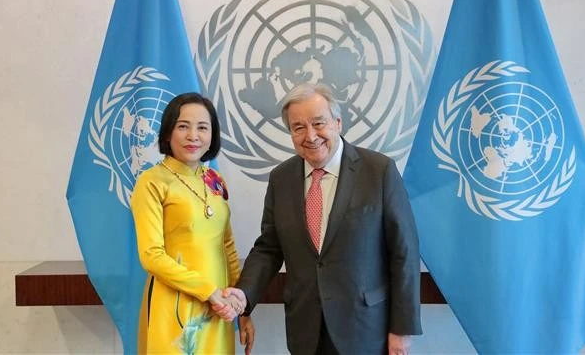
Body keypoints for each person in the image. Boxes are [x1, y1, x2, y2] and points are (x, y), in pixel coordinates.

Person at [218, 83, 422, 355]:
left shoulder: (379, 171)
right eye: (298, 127)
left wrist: (402, 328)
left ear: (337, 123)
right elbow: (269, 247)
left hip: (366, 330)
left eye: (318, 123)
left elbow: (404, 252)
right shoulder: (281, 179)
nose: (310, 135)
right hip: (305, 329)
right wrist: (244, 294)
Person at [131, 92, 254, 354]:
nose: (193, 136)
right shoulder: (152, 182)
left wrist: (243, 311)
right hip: (175, 303)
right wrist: (208, 292)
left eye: (202, 127)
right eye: (183, 126)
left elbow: (227, 247)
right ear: (167, 133)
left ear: (212, 135)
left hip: (220, 307)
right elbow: (152, 256)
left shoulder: (215, 180)